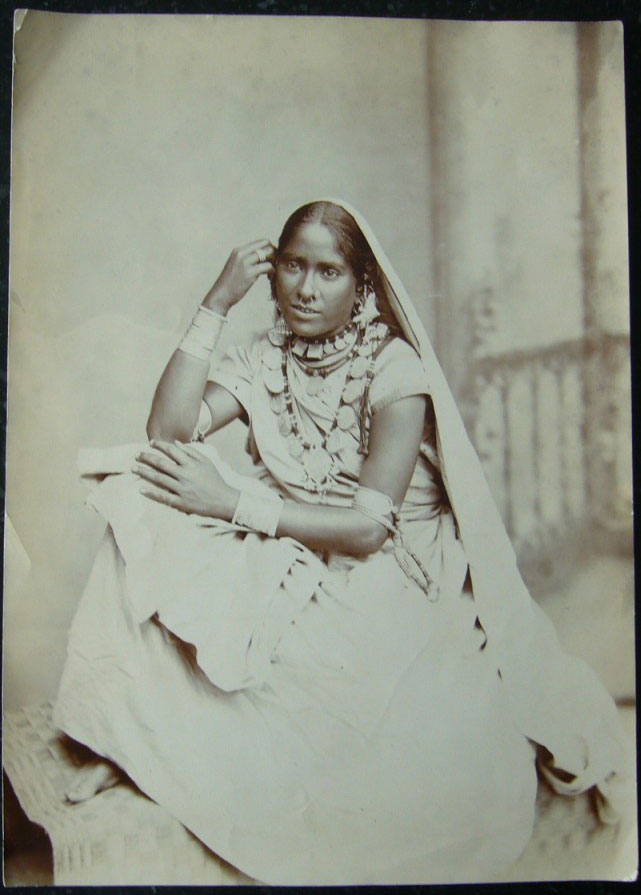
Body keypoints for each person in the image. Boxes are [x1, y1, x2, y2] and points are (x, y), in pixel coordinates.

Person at [53, 200, 632, 885]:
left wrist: (233, 502)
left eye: (327, 271)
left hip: (388, 577)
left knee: (325, 720)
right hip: (292, 550)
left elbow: (367, 529)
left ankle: (170, 751)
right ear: (271, 273)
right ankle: (128, 734)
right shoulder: (264, 358)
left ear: (361, 285)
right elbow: (168, 431)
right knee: (138, 486)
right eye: (293, 266)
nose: (305, 288)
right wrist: (215, 302)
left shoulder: (395, 372)